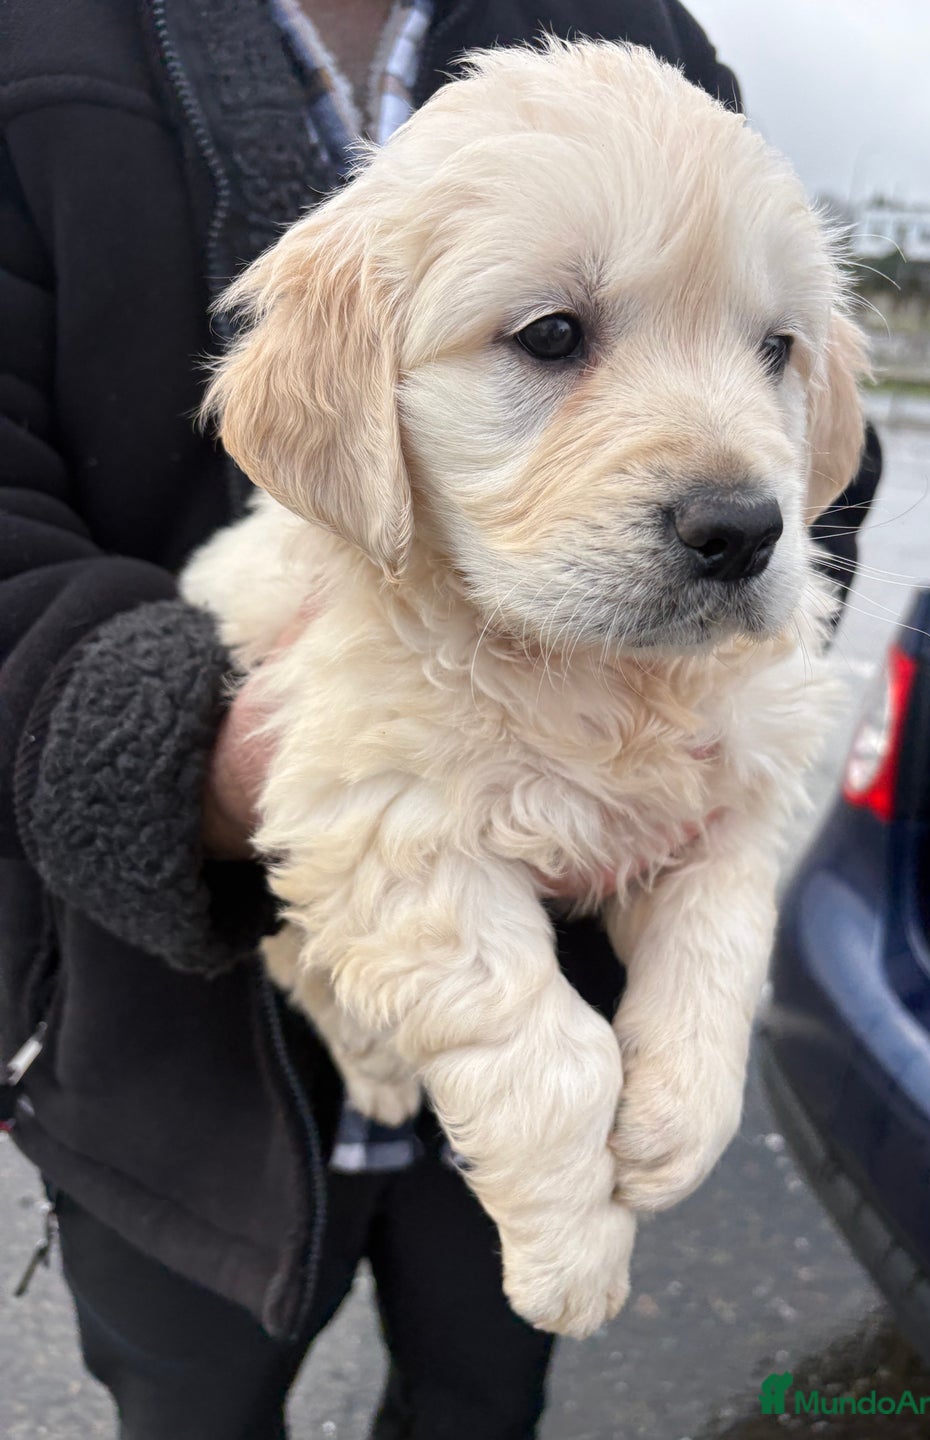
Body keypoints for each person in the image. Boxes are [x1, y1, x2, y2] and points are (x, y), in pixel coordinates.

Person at [0, 3, 880, 1436]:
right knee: (188, 1399)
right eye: (553, 335)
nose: (736, 481)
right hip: (157, 1047)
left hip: (569, 990)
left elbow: (816, 460)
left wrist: (699, 964)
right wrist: (234, 764)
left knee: (482, 1398)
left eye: (767, 348)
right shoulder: (37, 44)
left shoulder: (639, 27)